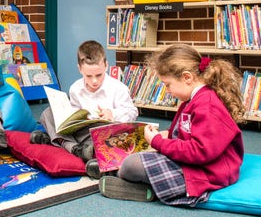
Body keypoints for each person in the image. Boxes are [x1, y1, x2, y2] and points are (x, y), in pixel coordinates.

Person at [100, 44, 245, 204]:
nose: (167, 90)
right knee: (134, 154)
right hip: (194, 163)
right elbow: (189, 132)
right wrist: (166, 135)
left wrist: (158, 142)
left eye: (168, 84)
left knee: (131, 164)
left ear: (187, 77)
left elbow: (199, 151)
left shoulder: (207, 105)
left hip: (207, 172)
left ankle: (120, 175)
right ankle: (123, 174)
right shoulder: (193, 99)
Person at [30, 40, 138, 178]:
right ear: (80, 69)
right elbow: (73, 113)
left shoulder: (118, 88)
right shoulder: (76, 88)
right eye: (88, 76)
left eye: (99, 75)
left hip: (103, 134)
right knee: (47, 113)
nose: (94, 81)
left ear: (106, 65)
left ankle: (60, 142)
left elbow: (132, 112)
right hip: (81, 133)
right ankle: (77, 149)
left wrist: (113, 114)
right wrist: (68, 115)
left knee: (112, 138)